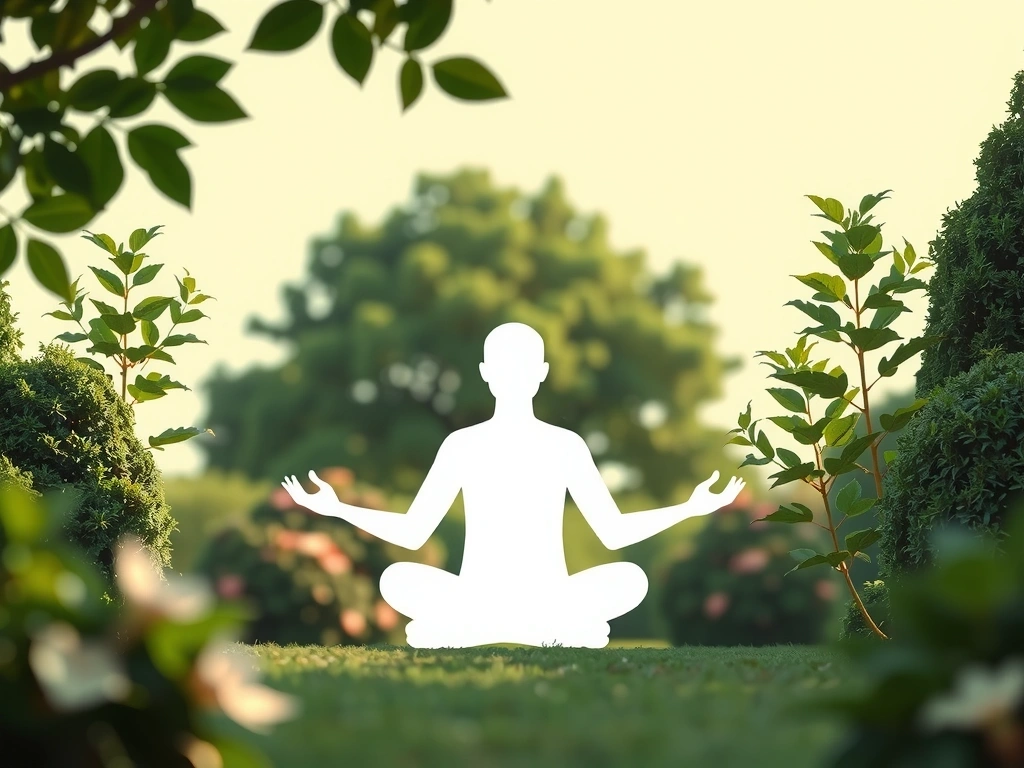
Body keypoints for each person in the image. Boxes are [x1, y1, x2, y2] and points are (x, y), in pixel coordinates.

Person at [281, 322, 744, 648]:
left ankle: (476, 629)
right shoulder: (462, 445)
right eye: (505, 366)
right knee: (396, 579)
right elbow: (414, 530)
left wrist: (688, 507)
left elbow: (613, 531)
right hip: (483, 596)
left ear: (540, 373)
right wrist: (338, 508)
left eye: (522, 366)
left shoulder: (565, 446)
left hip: (543, 596)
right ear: (486, 373)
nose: (514, 376)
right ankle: (544, 629)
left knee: (630, 580)